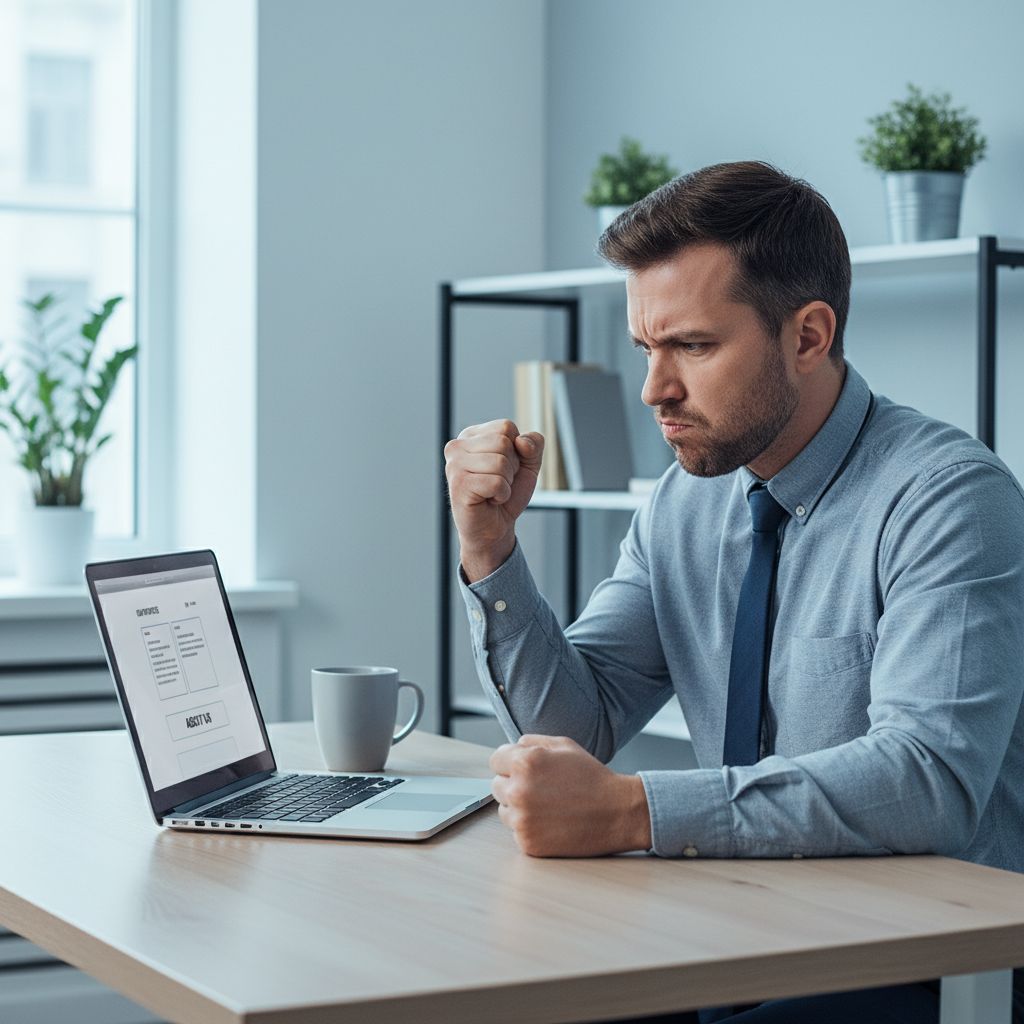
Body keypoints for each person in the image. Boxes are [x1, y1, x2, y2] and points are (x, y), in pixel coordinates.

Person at [443, 161, 1024, 1024]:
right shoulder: (685, 499)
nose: (654, 391)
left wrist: (635, 809)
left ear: (808, 336)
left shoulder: (948, 500)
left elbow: (927, 780)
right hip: (736, 922)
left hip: (918, 961)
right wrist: (490, 552)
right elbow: (579, 725)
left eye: (694, 347)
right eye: (647, 349)